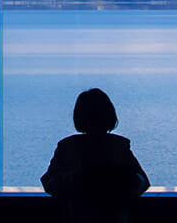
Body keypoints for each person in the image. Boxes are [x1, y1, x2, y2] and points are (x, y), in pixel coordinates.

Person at [41, 89, 149, 223]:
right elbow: (142, 181)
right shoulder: (119, 146)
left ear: (79, 117)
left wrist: (73, 181)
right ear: (109, 115)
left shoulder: (67, 147)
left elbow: (49, 183)